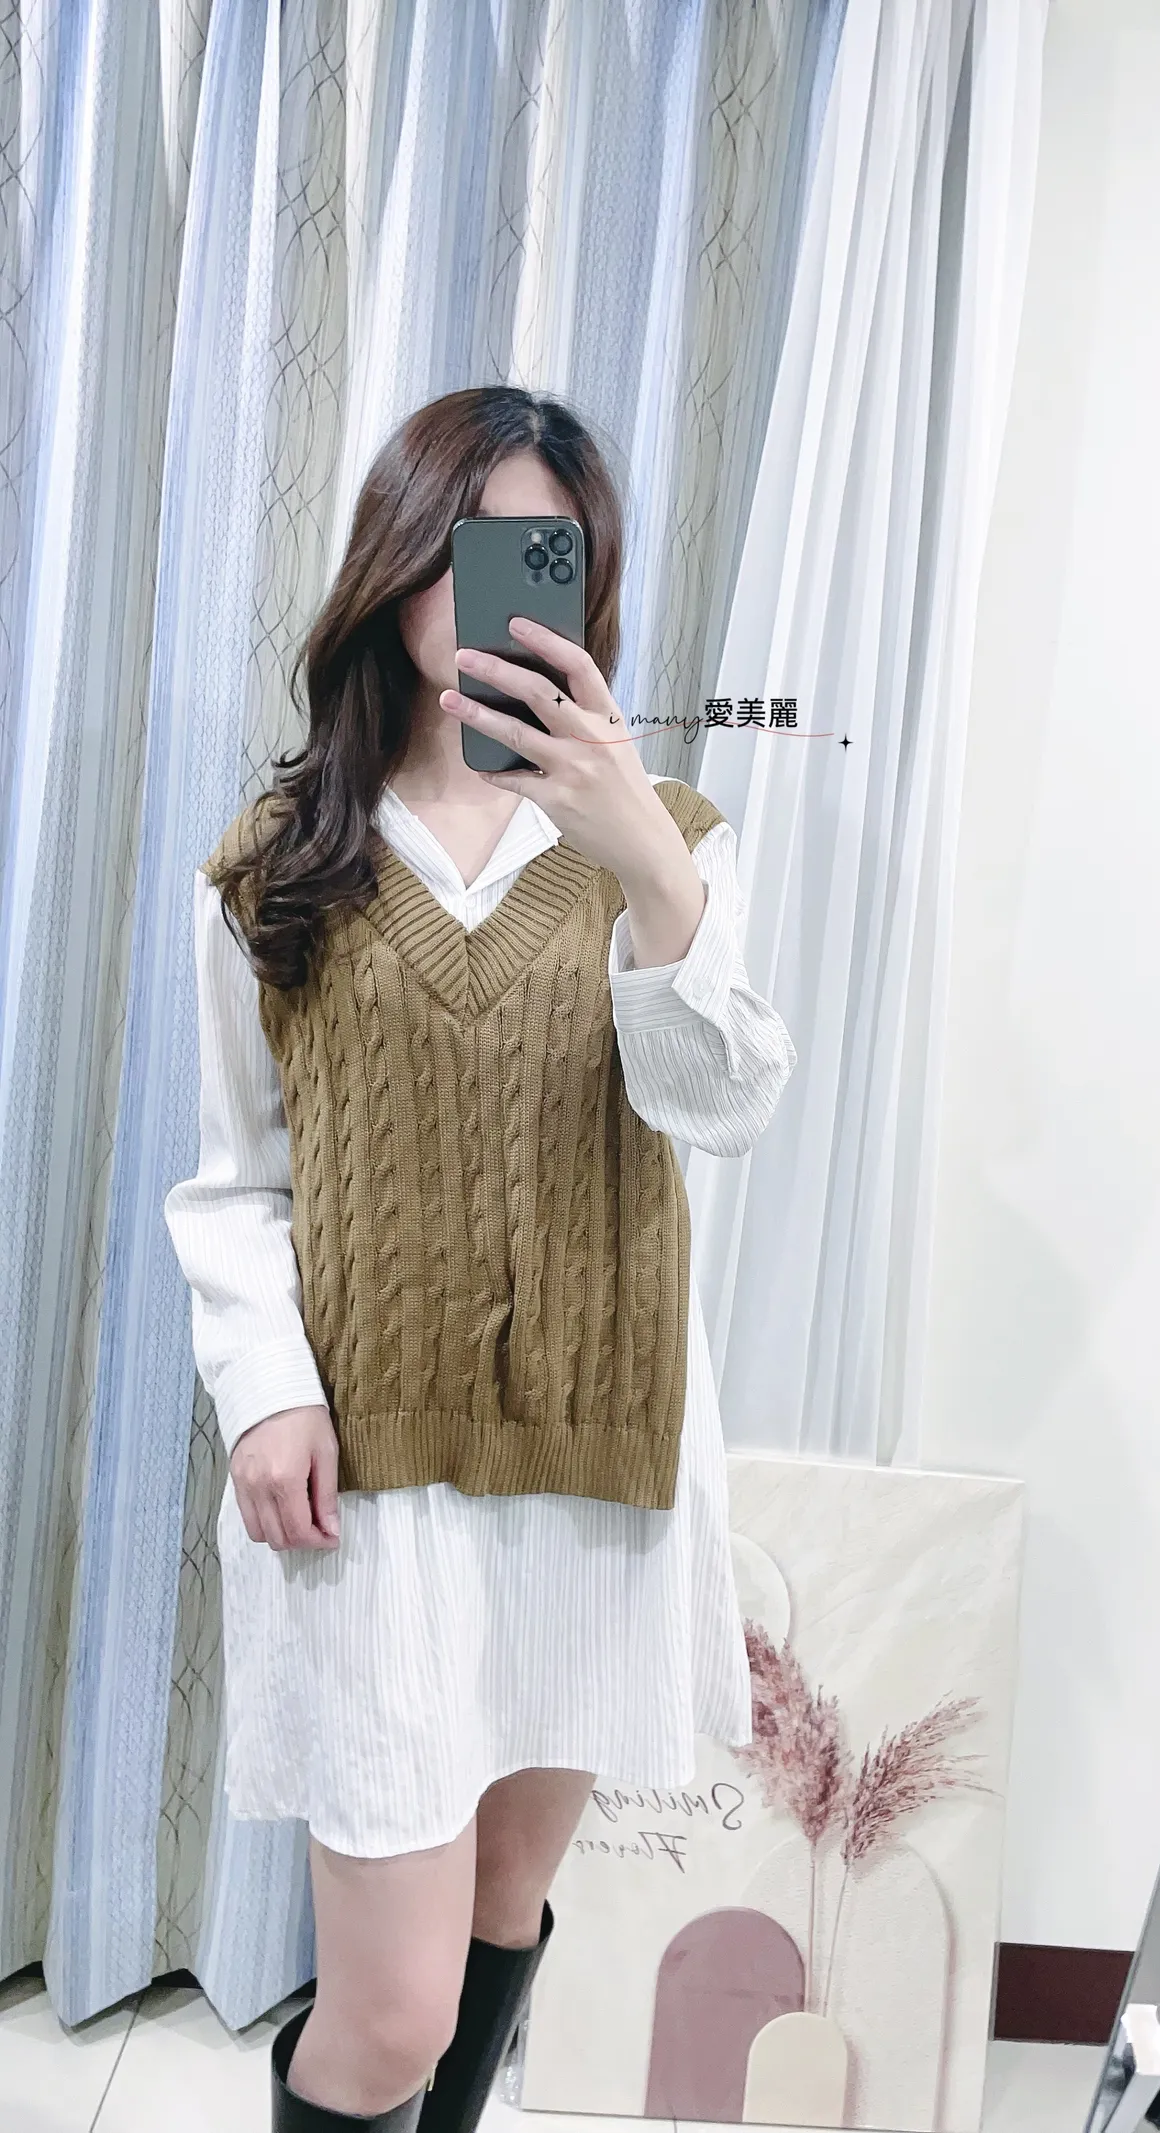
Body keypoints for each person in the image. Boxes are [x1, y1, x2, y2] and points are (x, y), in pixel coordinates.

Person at [163, 384, 797, 2132]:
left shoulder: (667, 840)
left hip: (591, 1474)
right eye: (468, 546)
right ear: (397, 564)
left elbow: (724, 1102)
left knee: (504, 1912)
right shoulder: (280, 861)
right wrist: (265, 1393)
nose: (497, 588)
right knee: (390, 2016)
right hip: (376, 1494)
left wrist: (643, 858)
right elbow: (235, 1185)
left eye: (545, 554)